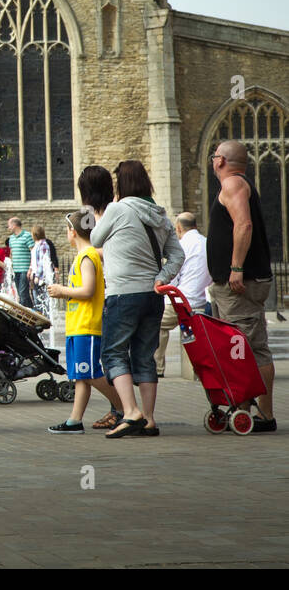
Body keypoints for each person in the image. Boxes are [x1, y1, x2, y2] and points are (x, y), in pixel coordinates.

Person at [90, 160, 184, 438]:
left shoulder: (117, 209)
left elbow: (95, 238)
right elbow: (178, 255)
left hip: (123, 294)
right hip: (152, 295)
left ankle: (131, 412)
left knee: (114, 352)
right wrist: (161, 277)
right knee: (145, 356)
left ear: (121, 185)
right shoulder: (161, 215)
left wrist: (104, 211)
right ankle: (150, 419)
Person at [207, 140, 276, 431]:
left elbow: (243, 225)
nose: (212, 161)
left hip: (241, 284)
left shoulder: (232, 184)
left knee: (250, 347)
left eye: (214, 157)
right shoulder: (239, 183)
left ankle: (263, 414)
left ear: (221, 160)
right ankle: (246, 407)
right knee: (243, 346)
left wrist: (236, 268)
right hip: (241, 284)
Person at [47, 211, 122, 432]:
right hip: (78, 325)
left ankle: (124, 408)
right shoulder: (85, 255)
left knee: (88, 373)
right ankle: (74, 420)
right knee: (81, 374)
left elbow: (87, 290)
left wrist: (61, 291)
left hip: (86, 325)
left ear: (73, 231)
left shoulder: (87, 256)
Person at [155, 212, 212, 379]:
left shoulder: (181, 246)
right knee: (188, 330)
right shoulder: (207, 243)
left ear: (178, 228)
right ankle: (195, 370)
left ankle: (157, 368)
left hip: (180, 301)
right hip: (200, 301)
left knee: (157, 324)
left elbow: (172, 276)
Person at [6, 218, 36, 308]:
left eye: (9, 225)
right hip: (15, 270)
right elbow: (12, 253)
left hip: (25, 269)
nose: (8, 228)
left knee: (23, 293)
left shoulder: (27, 236)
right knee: (21, 294)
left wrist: (31, 268)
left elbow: (33, 252)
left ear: (15, 225)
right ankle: (31, 311)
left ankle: (23, 315)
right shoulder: (11, 238)